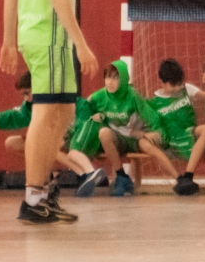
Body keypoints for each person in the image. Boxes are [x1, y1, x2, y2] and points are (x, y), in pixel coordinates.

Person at [0, 0, 99, 224]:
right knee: (45, 113)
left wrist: (9, 41)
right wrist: (82, 45)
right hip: (50, 34)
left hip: (31, 32)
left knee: (64, 111)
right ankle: (33, 197)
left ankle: (43, 191)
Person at [71, 60, 181, 197]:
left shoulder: (132, 95)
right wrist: (90, 118)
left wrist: (158, 133)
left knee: (147, 145)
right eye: (108, 77)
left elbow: (151, 116)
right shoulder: (98, 96)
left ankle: (179, 179)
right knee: (104, 133)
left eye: (115, 78)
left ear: (123, 79)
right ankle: (122, 177)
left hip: (135, 138)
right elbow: (83, 110)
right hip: (118, 140)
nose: (110, 82)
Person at [147, 59, 205, 196]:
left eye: (178, 84)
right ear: (162, 82)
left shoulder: (186, 90)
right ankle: (179, 179)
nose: (176, 88)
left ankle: (188, 176)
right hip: (169, 143)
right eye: (172, 85)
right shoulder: (152, 103)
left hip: (189, 136)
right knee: (144, 142)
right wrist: (146, 134)